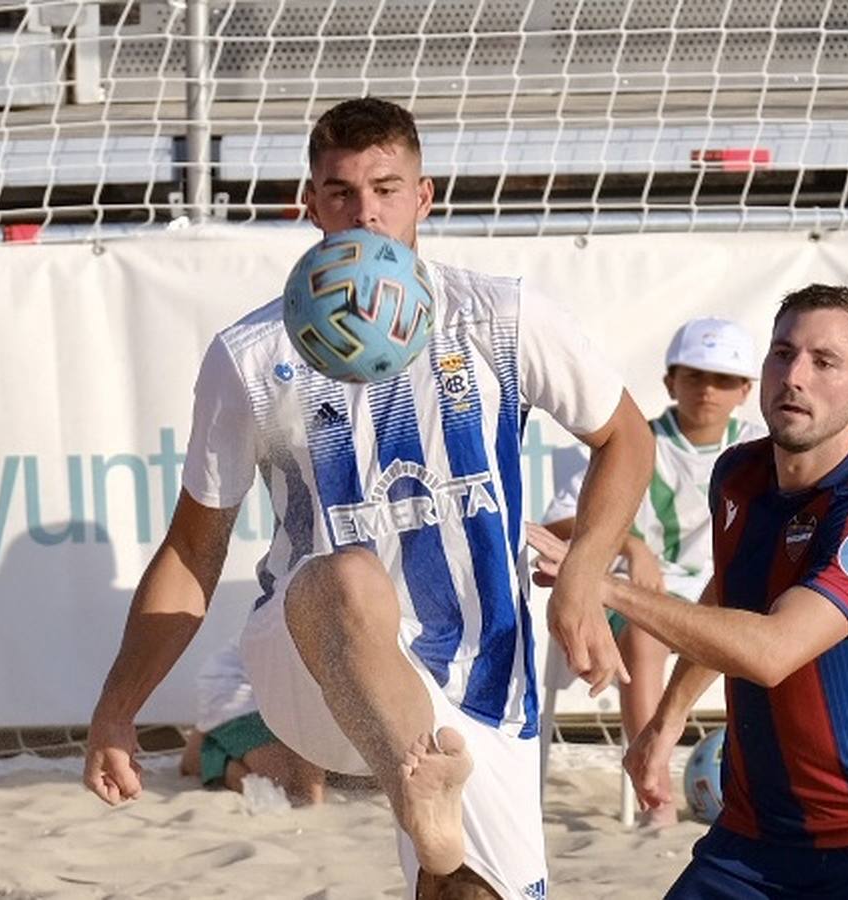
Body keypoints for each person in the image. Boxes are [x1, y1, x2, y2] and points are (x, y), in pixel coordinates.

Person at [82, 96, 654, 900]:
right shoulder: (251, 357)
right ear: (308, 204)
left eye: (387, 189)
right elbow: (191, 548)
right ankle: (418, 790)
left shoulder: (498, 318)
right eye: (342, 192)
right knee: (346, 577)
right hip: (315, 664)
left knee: (465, 888)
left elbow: (627, 439)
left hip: (480, 672)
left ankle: (432, 816)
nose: (366, 212)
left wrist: (586, 576)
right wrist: (116, 710)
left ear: (425, 197)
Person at [530, 284, 848, 898]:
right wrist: (664, 724)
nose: (795, 376)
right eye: (783, 353)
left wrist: (603, 585)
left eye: (823, 361)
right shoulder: (739, 474)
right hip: (752, 841)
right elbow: (726, 599)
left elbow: (771, 652)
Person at [541, 317, 765, 827]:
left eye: (723, 379)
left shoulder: (759, 448)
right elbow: (556, 519)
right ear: (670, 382)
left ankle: (771, 790)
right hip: (647, 593)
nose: (708, 390)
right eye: (694, 376)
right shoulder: (636, 441)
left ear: (745, 391)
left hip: (724, 596)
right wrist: (629, 543)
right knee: (643, 636)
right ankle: (655, 792)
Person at [179, 642, 326, 805]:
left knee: (309, 795)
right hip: (238, 684)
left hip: (281, 686)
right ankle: (214, 761)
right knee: (284, 793)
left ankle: (205, 746)